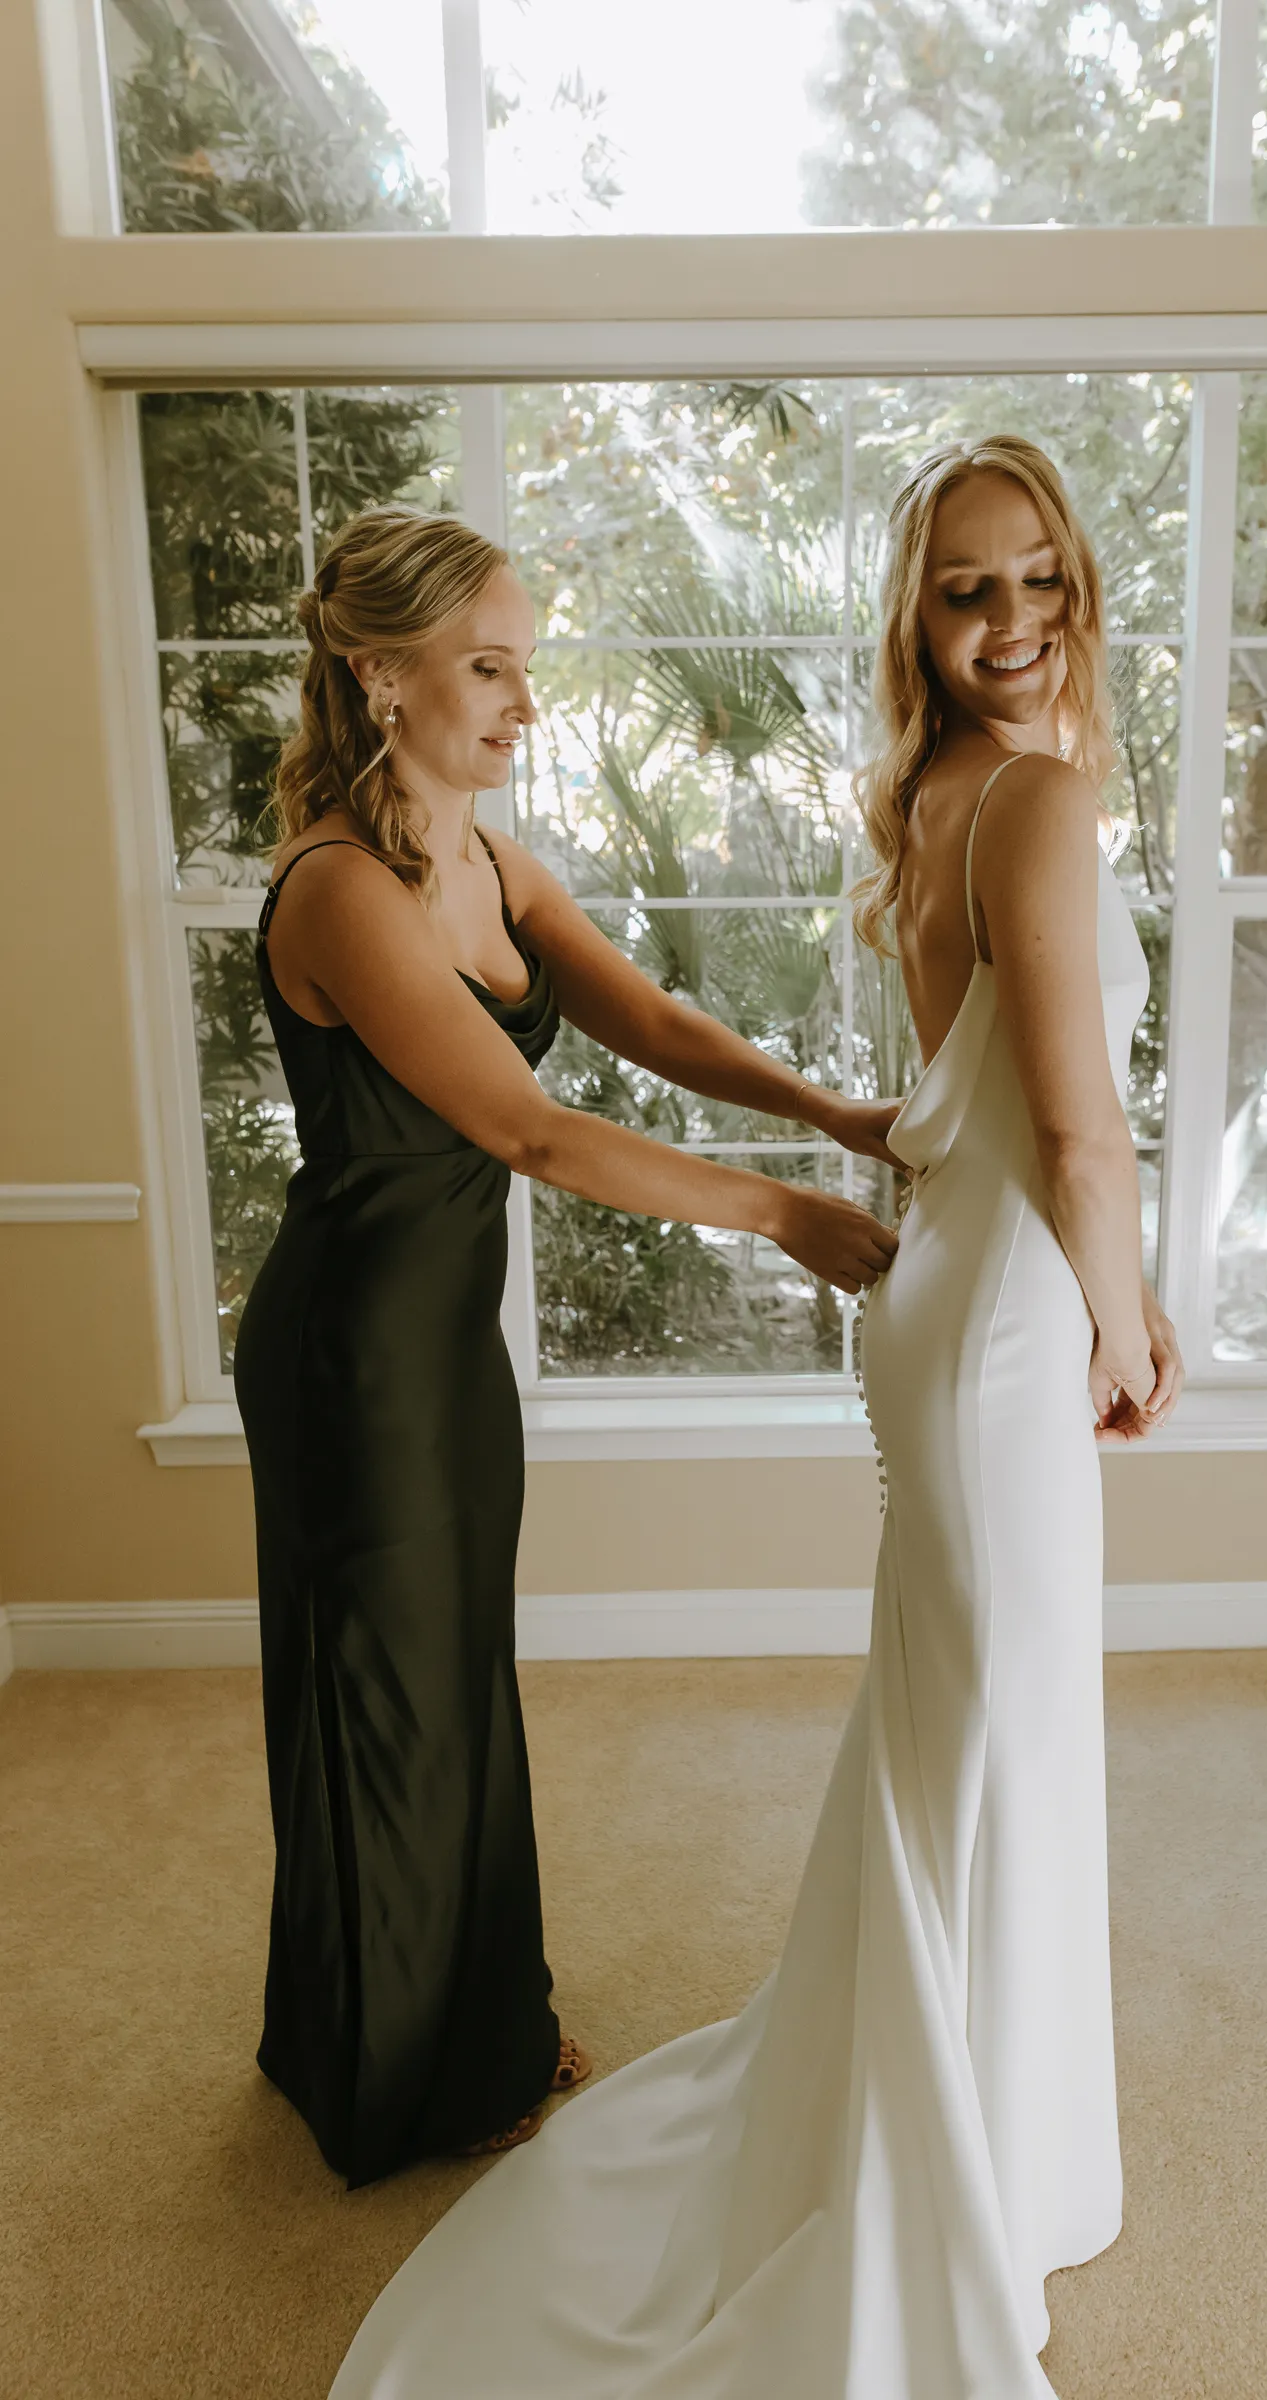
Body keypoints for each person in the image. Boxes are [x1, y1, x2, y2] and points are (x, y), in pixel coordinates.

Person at [327, 436, 1184, 2395]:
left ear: (1074, 582)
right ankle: (959, 2175)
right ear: (917, 615)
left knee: (966, 1736)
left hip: (956, 1286)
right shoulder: (1036, 798)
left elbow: (918, 1090)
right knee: (990, 1738)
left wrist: (872, 1160)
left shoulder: (946, 793)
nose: (1011, 619)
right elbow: (1077, 1130)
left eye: (1038, 576)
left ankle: (991, 2144)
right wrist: (1129, 1318)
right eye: (965, 588)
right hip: (1002, 1308)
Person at [233, 505, 901, 2191]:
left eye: (526, 666)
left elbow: (648, 1019)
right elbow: (528, 1131)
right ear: (380, 674)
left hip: (444, 1346)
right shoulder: (339, 886)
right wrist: (780, 1214)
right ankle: (389, 2079)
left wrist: (828, 1112)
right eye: (488, 669)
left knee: (454, 1678)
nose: (524, 703)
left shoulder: (487, 860)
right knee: (383, 1697)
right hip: (350, 1356)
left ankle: (464, 2028)